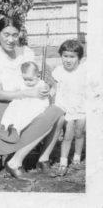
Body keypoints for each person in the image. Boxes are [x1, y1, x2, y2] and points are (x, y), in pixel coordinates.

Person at [0, 16, 64, 181]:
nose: (11, 39)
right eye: (6, 34)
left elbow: (36, 78)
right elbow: (0, 94)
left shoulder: (26, 53)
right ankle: (15, 162)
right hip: (6, 104)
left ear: (19, 35)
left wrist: (44, 88)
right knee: (49, 117)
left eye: (15, 35)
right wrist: (28, 94)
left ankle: (43, 158)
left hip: (30, 101)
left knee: (59, 116)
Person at [51, 39, 86, 177]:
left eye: (72, 57)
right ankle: (63, 161)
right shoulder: (59, 71)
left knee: (80, 133)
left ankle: (77, 157)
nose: (68, 60)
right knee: (67, 136)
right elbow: (54, 88)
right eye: (65, 56)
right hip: (66, 109)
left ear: (79, 58)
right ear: (61, 56)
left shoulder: (83, 72)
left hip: (81, 108)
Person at [0, 61, 50, 135]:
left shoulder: (40, 83)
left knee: (29, 114)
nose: (28, 82)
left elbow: (45, 90)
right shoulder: (21, 84)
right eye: (25, 79)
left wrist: (46, 88)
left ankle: (21, 128)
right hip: (23, 103)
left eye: (30, 80)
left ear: (38, 75)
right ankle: (8, 123)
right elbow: (16, 91)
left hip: (35, 104)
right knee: (12, 107)